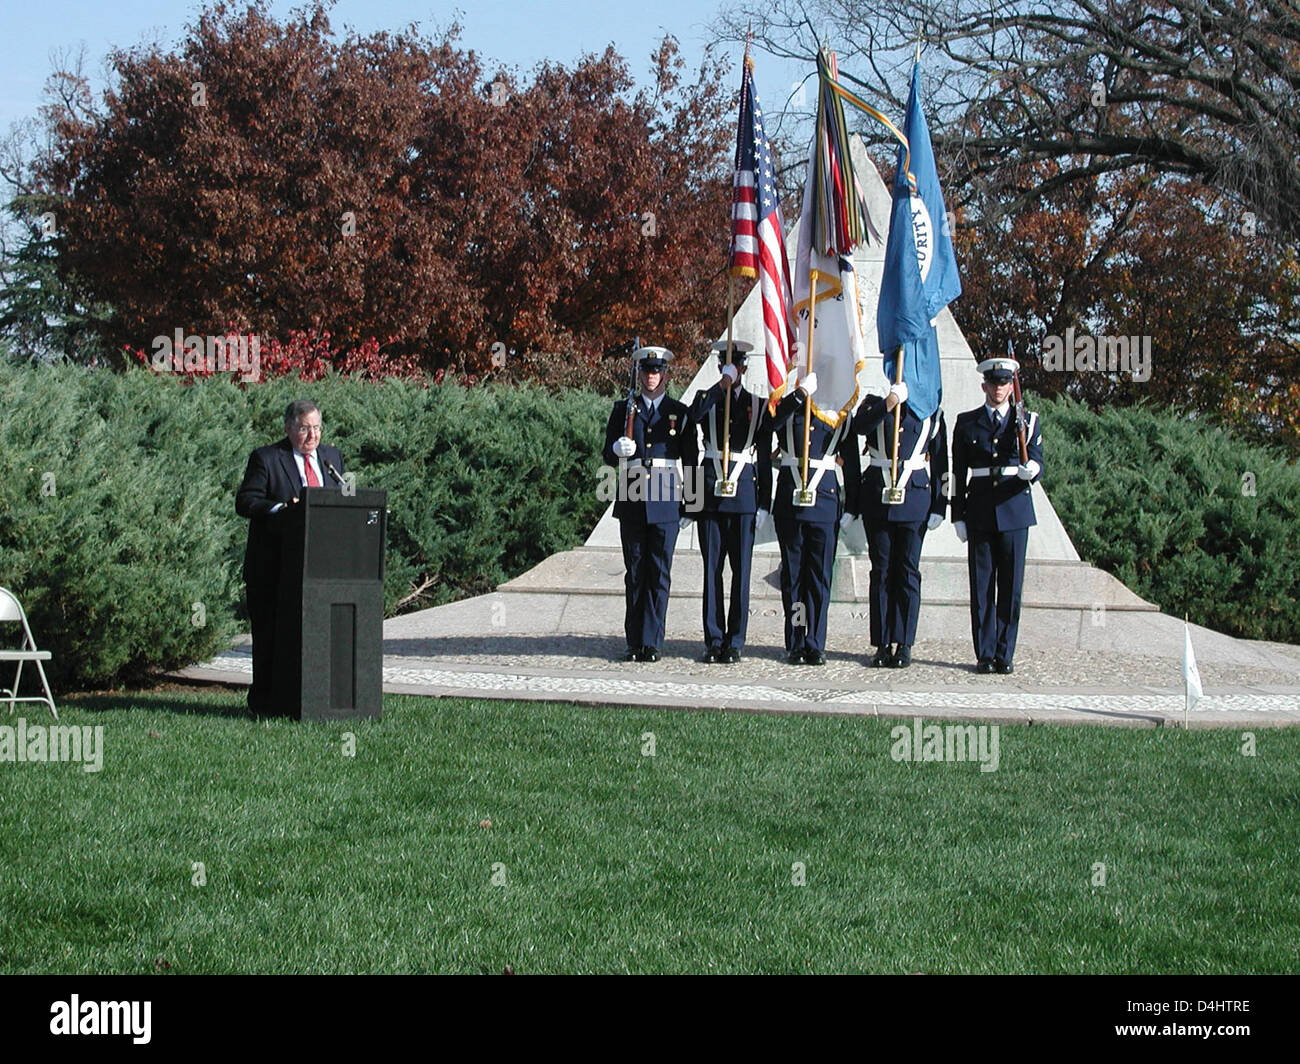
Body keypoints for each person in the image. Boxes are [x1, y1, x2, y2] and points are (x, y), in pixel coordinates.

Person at [235, 400, 346, 712]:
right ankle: (264, 704)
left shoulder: (331, 458)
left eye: (316, 428)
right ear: (288, 428)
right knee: (271, 639)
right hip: (273, 569)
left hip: (319, 569)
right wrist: (282, 509)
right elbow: (246, 501)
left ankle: (311, 700)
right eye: (303, 428)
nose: (311, 435)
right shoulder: (267, 458)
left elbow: (342, 501)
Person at [602, 347, 696, 662]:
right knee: (636, 573)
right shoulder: (622, 409)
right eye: (646, 371)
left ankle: (653, 641)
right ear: (640, 374)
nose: (651, 376)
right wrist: (617, 447)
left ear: (665, 374)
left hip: (667, 502)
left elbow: (691, 461)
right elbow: (606, 456)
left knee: (659, 574)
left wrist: (691, 505)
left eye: (656, 371)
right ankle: (634, 641)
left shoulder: (679, 412)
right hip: (632, 499)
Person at [950, 357, 1043, 674]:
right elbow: (958, 472)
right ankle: (985, 653)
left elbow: (1039, 460)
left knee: (1010, 587)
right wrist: (957, 514)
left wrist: (1033, 469)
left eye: (1004, 383)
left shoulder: (1027, 421)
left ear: (1010, 385)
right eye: (994, 383)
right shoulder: (967, 422)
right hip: (979, 510)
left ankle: (1005, 653)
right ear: (984, 386)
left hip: (1014, 508)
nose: (999, 388)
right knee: (982, 587)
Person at [849, 381, 948, 668]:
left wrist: (941, 505)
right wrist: (890, 402)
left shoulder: (931, 414)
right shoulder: (873, 405)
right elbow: (860, 427)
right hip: (877, 499)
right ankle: (881, 643)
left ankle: (904, 642)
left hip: (915, 500)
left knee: (907, 571)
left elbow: (941, 464)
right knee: (881, 571)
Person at [768, 367, 861, 665]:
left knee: (819, 577)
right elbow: (771, 425)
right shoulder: (790, 409)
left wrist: (852, 507)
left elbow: (853, 466)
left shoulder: (839, 418)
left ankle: (815, 641)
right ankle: (795, 639)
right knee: (793, 577)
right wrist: (799, 396)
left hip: (824, 505)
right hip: (791, 506)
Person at [687, 341, 773, 664]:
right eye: (725, 364)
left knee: (741, 571)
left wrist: (765, 502)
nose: (731, 369)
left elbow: (763, 458)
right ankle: (713, 638)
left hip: (743, 496)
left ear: (744, 368)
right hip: (709, 495)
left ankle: (735, 640)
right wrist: (719, 387)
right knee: (712, 571)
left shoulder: (758, 405)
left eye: (736, 365)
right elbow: (692, 436)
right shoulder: (706, 399)